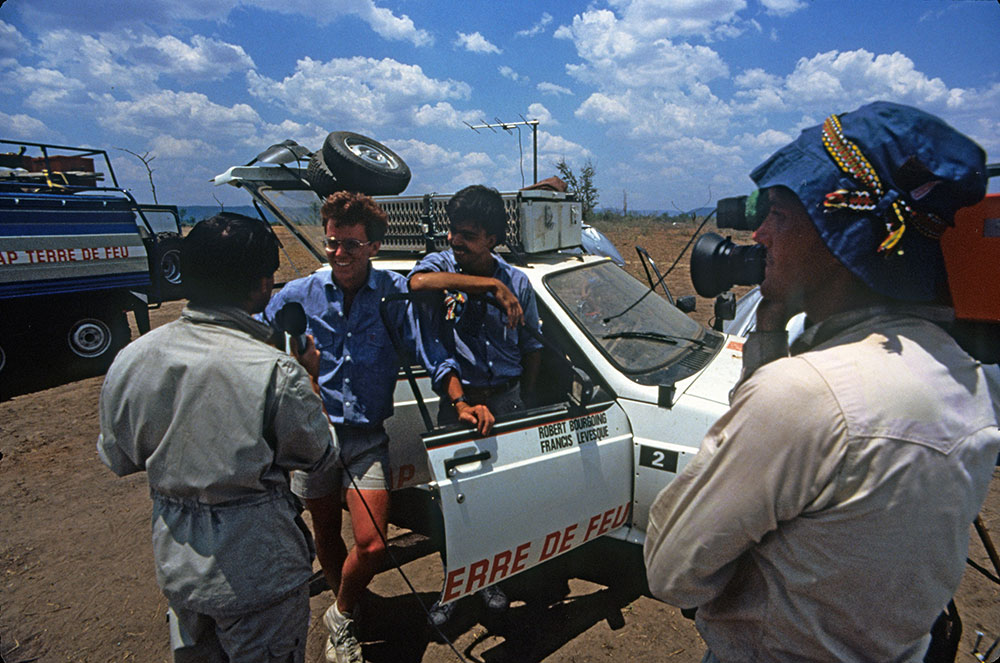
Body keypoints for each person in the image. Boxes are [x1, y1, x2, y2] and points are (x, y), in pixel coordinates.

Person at [643, 101, 1000, 662]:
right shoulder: (966, 378)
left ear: (841, 237)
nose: (759, 234)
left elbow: (671, 571)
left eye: (781, 214)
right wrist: (769, 332)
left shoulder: (805, 395)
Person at [97, 213, 334, 663]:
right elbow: (319, 455)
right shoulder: (276, 370)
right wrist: (311, 380)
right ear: (262, 284)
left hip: (180, 569)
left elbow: (118, 457)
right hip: (259, 573)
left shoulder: (132, 358)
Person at [262, 191, 463, 663]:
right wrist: (287, 364)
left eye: (350, 244)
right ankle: (349, 620)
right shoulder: (300, 293)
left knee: (372, 544)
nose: (338, 253)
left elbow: (430, 348)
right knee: (325, 532)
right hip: (312, 437)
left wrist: (459, 397)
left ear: (373, 246)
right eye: (331, 242)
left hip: (367, 437)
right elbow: (253, 331)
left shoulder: (394, 293)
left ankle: (339, 612)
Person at [407, 184, 545, 626]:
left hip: (506, 401)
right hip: (459, 404)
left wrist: (525, 402)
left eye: (468, 235)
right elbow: (417, 283)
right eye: (453, 231)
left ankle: (490, 579)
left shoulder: (519, 283)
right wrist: (488, 285)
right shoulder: (442, 267)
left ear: (492, 239)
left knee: (499, 499)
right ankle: (455, 584)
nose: (455, 241)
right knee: (454, 504)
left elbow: (532, 347)